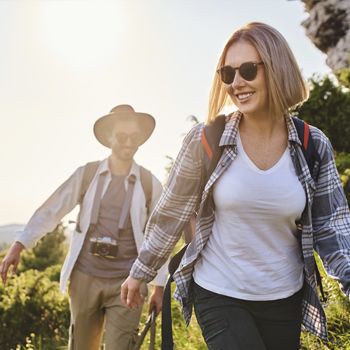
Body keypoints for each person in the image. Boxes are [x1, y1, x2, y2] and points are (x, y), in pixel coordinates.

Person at [121, 22, 350, 350]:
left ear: (277, 69)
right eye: (227, 74)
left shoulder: (312, 144)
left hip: (284, 297)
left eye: (247, 70)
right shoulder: (205, 140)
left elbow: (333, 228)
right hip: (219, 292)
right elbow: (171, 212)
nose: (236, 83)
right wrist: (140, 271)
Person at [0, 104, 168, 350]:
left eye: (135, 137)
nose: (129, 143)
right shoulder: (87, 175)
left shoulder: (149, 183)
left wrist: (159, 286)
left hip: (129, 281)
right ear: (109, 138)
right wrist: (20, 244)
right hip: (84, 278)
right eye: (122, 136)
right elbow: (53, 208)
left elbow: (161, 234)